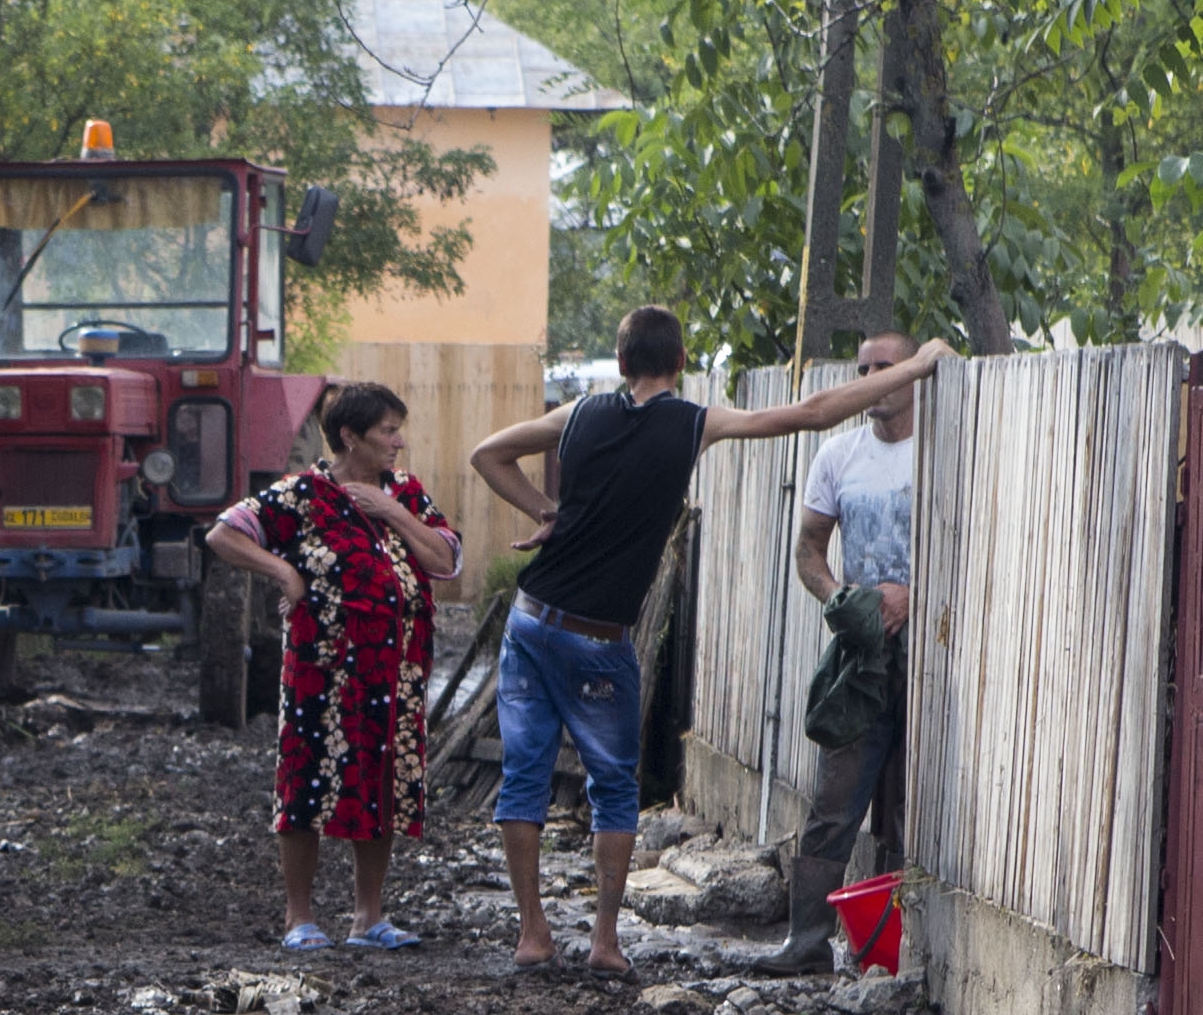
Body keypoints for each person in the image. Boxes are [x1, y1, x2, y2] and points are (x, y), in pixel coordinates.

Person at [466, 305, 928, 972]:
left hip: (534, 620)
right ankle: (604, 942)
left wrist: (547, 511)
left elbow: (487, 454)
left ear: (621, 364)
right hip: (600, 638)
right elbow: (812, 412)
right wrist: (916, 366)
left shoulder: (578, 415)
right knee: (614, 789)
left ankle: (533, 934)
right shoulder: (692, 423)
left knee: (523, 778)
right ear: (681, 364)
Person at [203, 382, 462, 948]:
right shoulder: (304, 496)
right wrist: (285, 574)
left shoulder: (406, 493)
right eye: (387, 431)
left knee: (383, 783)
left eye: (398, 429)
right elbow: (224, 534)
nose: (398, 441)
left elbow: (445, 560)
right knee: (306, 783)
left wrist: (392, 510)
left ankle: (368, 918)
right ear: (349, 436)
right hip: (322, 672)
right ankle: (300, 918)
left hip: (397, 675)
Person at [764, 327, 930, 972]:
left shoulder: (941, 449)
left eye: (883, 366)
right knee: (835, 798)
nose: (870, 379)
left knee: (917, 802)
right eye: (862, 369)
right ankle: (805, 942)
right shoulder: (839, 454)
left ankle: (899, 946)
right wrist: (843, 600)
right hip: (862, 655)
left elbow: (976, 539)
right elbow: (808, 550)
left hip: (935, 651)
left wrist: (915, 595)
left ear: (911, 375)